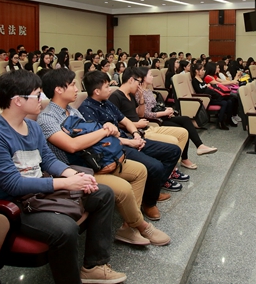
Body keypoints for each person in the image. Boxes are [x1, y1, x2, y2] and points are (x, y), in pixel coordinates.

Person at [0, 69, 126, 284]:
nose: (42, 99)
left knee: (103, 193)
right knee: (65, 229)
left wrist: (75, 176)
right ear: (17, 100)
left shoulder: (32, 126)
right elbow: (14, 185)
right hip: (14, 206)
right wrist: (66, 183)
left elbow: (48, 160)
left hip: (39, 193)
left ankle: (94, 265)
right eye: (37, 95)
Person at [37, 69, 170, 246]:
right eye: (72, 85)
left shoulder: (73, 111)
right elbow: (72, 145)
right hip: (76, 169)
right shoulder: (46, 118)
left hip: (95, 159)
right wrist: (104, 131)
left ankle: (128, 226)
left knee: (140, 171)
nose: (77, 89)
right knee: (123, 188)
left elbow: (92, 135)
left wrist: (106, 129)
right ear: (58, 89)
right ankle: (141, 226)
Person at [79, 71, 181, 221]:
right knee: (155, 166)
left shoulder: (106, 102)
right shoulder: (87, 109)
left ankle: (151, 191)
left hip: (128, 138)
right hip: (116, 147)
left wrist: (136, 134)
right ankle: (149, 203)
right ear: (96, 91)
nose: (110, 89)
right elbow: (102, 140)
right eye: (107, 87)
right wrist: (130, 142)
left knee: (174, 151)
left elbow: (125, 120)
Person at [108, 68, 189, 189]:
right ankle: (166, 175)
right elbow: (115, 123)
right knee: (173, 142)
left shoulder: (131, 95)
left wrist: (141, 99)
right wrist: (136, 126)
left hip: (145, 127)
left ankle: (170, 169)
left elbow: (140, 114)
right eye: (138, 82)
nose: (139, 85)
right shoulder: (115, 97)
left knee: (183, 133)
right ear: (131, 80)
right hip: (135, 132)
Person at [136, 67, 217, 170]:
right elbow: (145, 114)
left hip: (161, 116)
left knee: (186, 119)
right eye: (150, 75)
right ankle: (184, 159)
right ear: (143, 77)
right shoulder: (139, 93)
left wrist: (167, 110)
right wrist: (164, 113)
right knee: (183, 130)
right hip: (155, 121)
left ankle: (200, 146)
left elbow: (155, 106)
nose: (152, 77)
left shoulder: (148, 90)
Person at [190, 63, 235, 130]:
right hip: (206, 98)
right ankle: (220, 122)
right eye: (202, 70)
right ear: (197, 71)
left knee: (229, 101)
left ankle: (228, 119)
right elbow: (199, 91)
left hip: (211, 96)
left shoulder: (201, 79)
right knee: (225, 102)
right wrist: (207, 86)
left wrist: (207, 86)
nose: (203, 71)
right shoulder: (195, 80)